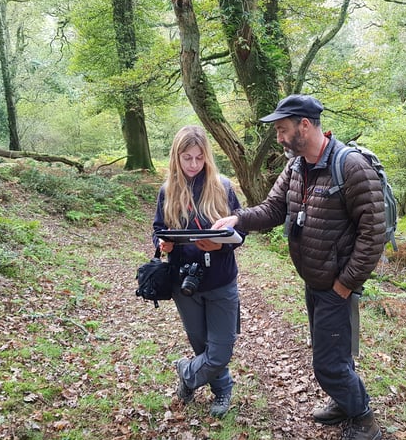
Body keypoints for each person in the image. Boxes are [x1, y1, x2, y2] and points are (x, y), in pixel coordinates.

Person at [212, 95, 386, 440]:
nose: (279, 137)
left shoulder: (350, 166)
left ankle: (364, 420)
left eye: (282, 129)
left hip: (336, 284)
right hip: (315, 280)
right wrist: (237, 219)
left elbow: (374, 232)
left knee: (327, 364)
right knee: (335, 355)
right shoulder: (296, 167)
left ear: (304, 125)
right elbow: (274, 209)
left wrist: (345, 284)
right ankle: (344, 403)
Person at [152, 125, 245, 418]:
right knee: (201, 344)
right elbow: (158, 229)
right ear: (176, 158)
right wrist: (162, 244)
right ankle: (222, 390)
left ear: (207, 156)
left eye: (198, 158)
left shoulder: (224, 186)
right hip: (184, 283)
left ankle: (186, 373)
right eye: (186, 158)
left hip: (221, 280)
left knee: (220, 351)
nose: (193, 165)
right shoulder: (167, 191)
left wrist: (221, 247)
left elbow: (240, 228)